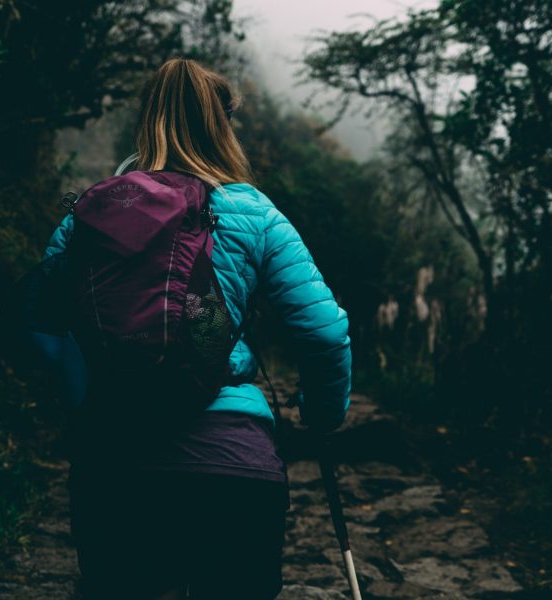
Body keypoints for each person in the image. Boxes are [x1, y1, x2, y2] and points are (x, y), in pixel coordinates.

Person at [41, 58, 352, 600]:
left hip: (115, 465)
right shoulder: (256, 213)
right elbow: (324, 333)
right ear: (221, 124)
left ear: (147, 120)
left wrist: (80, 404)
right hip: (233, 466)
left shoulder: (88, 216)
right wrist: (322, 415)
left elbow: (41, 328)